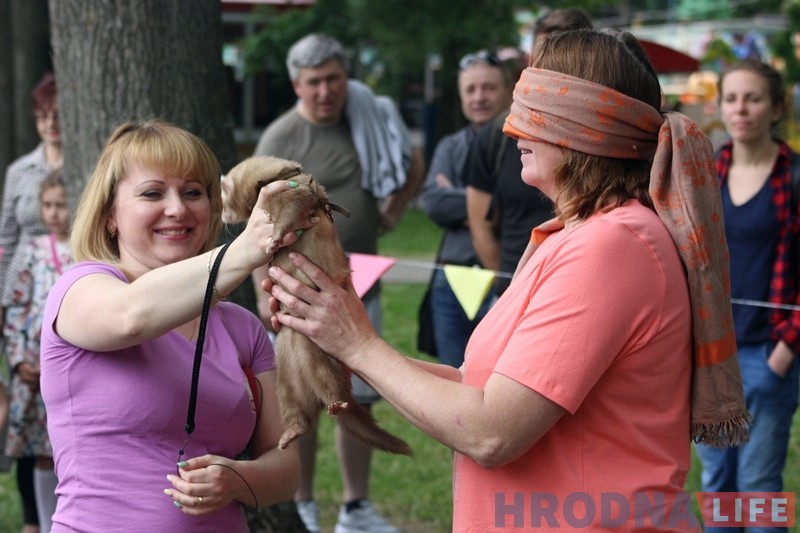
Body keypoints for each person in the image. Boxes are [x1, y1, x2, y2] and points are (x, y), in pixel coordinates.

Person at [266, 28, 750, 531]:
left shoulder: (612, 247)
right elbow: (477, 391)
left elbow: (491, 432)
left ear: (582, 129)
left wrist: (359, 344)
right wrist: (344, 340)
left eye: (530, 115)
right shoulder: (577, 235)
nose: (511, 131)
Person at [38, 120, 303, 532]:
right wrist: (245, 250)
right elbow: (131, 317)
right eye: (153, 193)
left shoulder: (242, 328)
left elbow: (286, 469)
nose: (177, 209)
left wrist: (237, 479)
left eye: (193, 192)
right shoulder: (79, 289)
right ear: (110, 215)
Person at [252, 33, 423, 533]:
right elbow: (257, 222)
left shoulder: (365, 117)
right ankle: (304, 503)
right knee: (302, 399)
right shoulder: (281, 139)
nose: (325, 91)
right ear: (296, 85)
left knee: (357, 395)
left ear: (346, 77)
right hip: (297, 293)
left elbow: (410, 161)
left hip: (361, 284)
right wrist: (264, 289)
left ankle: (356, 508)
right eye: (314, 83)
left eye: (333, 79)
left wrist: (395, 208)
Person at [695, 59, 800, 533]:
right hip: (712, 355)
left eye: (753, 99)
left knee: (759, 487)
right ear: (720, 107)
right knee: (718, 483)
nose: (741, 109)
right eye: (732, 98)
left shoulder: (793, 177)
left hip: (768, 353)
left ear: (775, 108)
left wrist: (785, 351)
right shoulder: (707, 173)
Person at [466, 8, 592, 295]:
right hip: (514, 289)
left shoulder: (607, 139)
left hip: (580, 290)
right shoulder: (497, 136)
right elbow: (480, 227)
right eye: (543, 60)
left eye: (564, 62)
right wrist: (510, 291)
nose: (551, 73)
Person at [420, 49, 512, 367]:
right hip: (450, 279)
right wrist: (490, 202)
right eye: (470, 90)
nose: (479, 97)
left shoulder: (520, 146)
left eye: (488, 87)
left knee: (500, 373)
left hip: (504, 276)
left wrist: (456, 194)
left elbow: (519, 204)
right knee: (452, 376)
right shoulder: (450, 146)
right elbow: (434, 203)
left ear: (508, 90)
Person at [0, 70, 63, 533]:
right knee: (27, 414)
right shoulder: (20, 170)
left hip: (66, 287)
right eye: (42, 115)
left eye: (57, 114)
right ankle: (31, 520)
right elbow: (6, 237)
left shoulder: (83, 164)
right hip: (24, 298)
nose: (51, 123)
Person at [3, 171, 73, 533]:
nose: (54, 213)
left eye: (61, 205)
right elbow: (16, 307)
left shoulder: (83, 250)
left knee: (64, 450)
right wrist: (18, 360)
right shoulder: (32, 251)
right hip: (34, 367)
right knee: (39, 452)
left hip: (68, 366)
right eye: (48, 205)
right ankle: (44, 525)